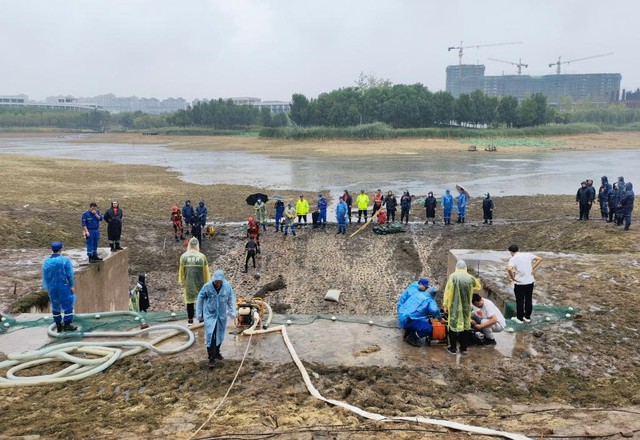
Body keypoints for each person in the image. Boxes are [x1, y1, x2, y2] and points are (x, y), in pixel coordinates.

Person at [196, 269, 237, 368]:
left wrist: (233, 311)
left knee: (220, 334)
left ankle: (217, 352)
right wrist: (199, 313)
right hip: (210, 313)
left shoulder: (227, 287)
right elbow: (200, 299)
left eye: (220, 282)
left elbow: (231, 298)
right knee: (210, 335)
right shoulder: (207, 287)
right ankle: (211, 359)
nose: (218, 284)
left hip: (221, 314)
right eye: (216, 282)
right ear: (213, 280)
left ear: (222, 281)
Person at [443, 260, 481, 355]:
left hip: (455, 306)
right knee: (465, 324)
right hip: (466, 306)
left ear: (457, 267)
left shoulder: (453, 277)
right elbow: (477, 286)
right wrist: (477, 280)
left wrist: (445, 304)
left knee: (453, 325)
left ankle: (453, 348)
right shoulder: (470, 277)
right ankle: (463, 348)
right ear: (465, 267)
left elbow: (448, 291)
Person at [42, 242, 77, 332]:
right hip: (63, 286)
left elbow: (45, 276)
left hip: (52, 287)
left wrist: (48, 287)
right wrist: (72, 285)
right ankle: (67, 325)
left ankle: (58, 325)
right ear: (61, 249)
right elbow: (69, 274)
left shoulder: (47, 261)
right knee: (68, 305)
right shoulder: (64, 260)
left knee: (55, 306)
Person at [397, 278, 443, 347]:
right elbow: (434, 310)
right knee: (429, 328)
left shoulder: (417, 294)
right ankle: (412, 338)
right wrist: (440, 319)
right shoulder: (429, 299)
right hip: (409, 319)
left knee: (418, 319)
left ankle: (407, 333)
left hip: (402, 317)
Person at [507, 244, 542, 324]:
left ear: (511, 252)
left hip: (520, 283)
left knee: (520, 301)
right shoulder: (528, 255)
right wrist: (533, 268)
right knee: (528, 300)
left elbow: (509, 269)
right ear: (518, 249)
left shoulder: (513, 258)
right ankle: (527, 318)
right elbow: (540, 259)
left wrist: (512, 278)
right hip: (530, 282)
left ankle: (519, 319)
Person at [179, 237, 211, 325]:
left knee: (189, 302)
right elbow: (206, 271)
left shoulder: (183, 257)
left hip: (189, 283)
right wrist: (207, 281)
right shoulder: (202, 256)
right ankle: (201, 319)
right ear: (197, 244)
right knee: (201, 300)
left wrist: (182, 281)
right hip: (200, 283)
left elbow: (181, 271)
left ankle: (190, 320)